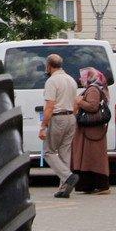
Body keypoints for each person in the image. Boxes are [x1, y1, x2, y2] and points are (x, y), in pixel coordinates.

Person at [39, 53, 79, 198]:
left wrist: (43, 126)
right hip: (71, 118)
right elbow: (76, 104)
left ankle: (68, 177)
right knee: (64, 152)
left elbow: (50, 106)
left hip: (58, 118)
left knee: (48, 151)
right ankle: (64, 187)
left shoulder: (52, 81)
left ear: (48, 66)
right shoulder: (71, 80)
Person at [72, 67, 112, 195]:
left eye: (83, 76)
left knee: (93, 157)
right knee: (89, 157)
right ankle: (89, 185)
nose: (80, 79)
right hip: (91, 131)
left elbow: (93, 106)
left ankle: (100, 185)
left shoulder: (93, 89)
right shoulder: (93, 88)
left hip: (91, 132)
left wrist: (80, 102)